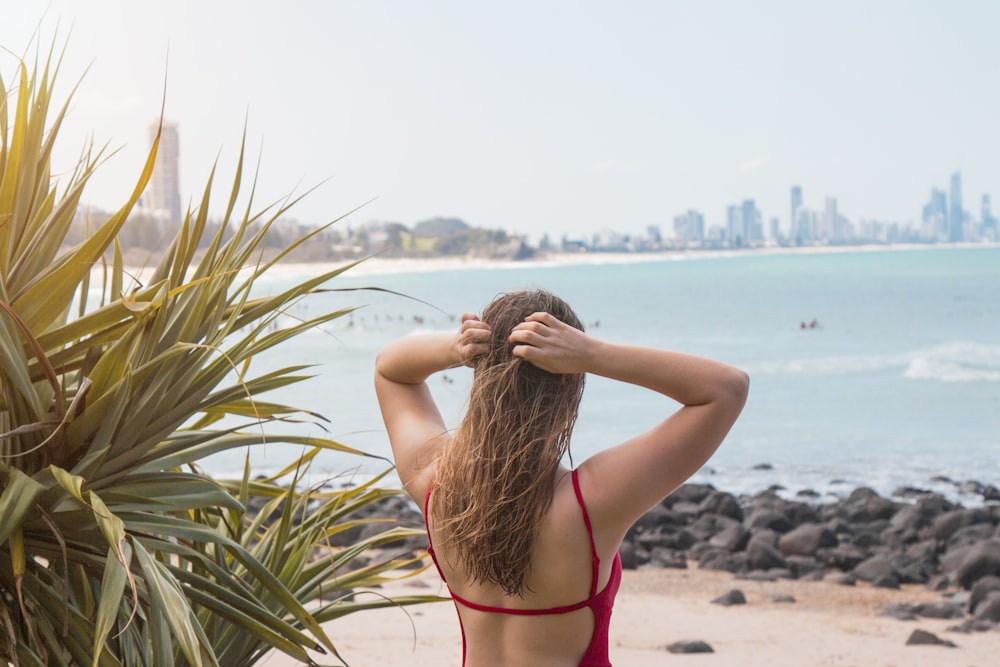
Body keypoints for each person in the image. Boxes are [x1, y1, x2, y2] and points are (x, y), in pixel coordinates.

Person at [374, 290, 749, 667]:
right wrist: (595, 354)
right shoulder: (592, 502)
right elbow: (725, 388)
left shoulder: (435, 484)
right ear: (571, 381)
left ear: (479, 371)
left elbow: (390, 370)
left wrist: (455, 347)